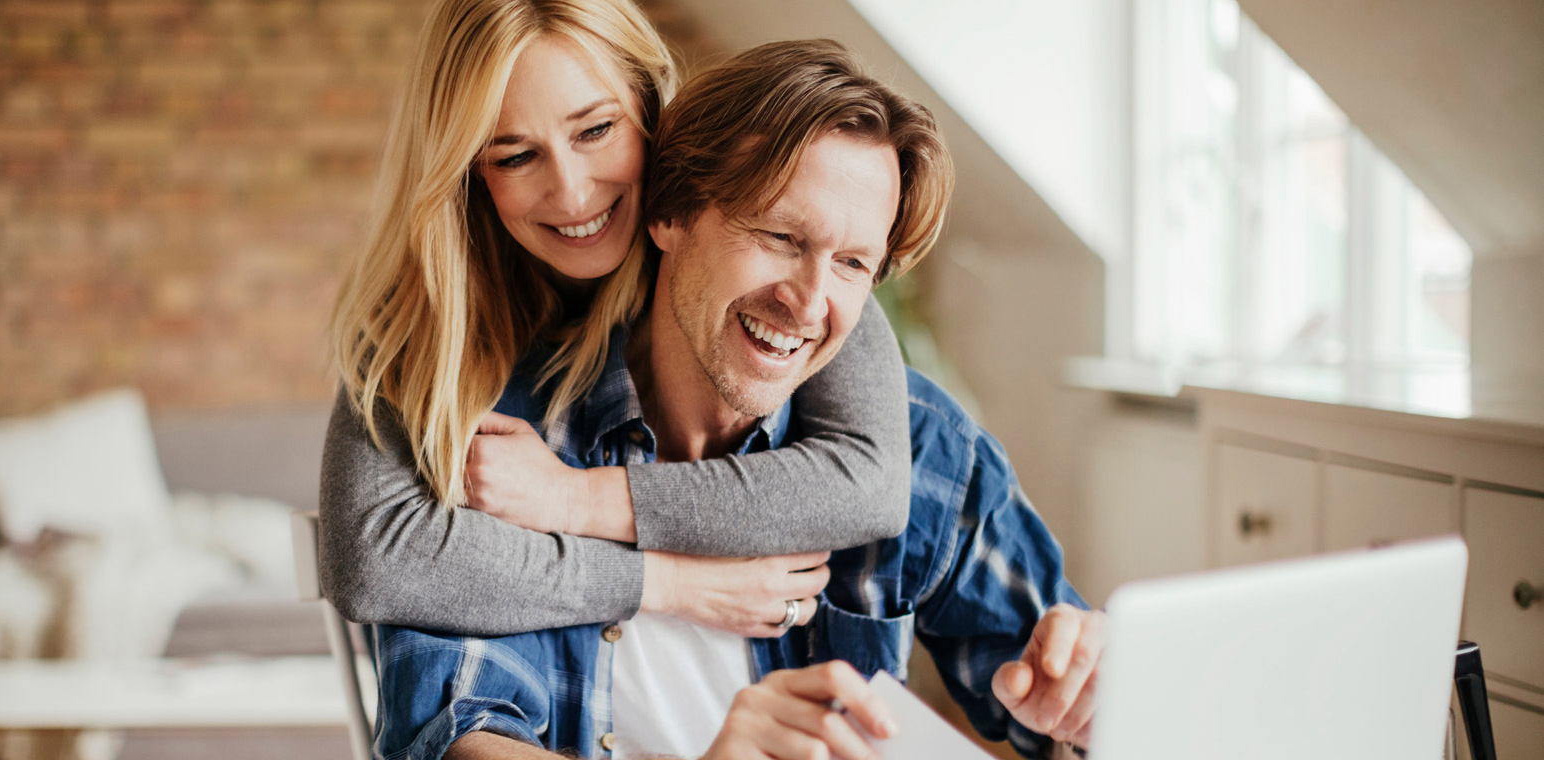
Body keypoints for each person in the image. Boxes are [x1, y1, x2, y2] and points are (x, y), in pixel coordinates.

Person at [371, 39, 1105, 760]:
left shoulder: (923, 451)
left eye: (852, 263)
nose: (810, 303)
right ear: (671, 215)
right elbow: (463, 740)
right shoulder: (512, 452)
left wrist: (1085, 706)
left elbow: (1060, 692)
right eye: (781, 236)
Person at [321, 0, 917, 646]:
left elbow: (870, 485)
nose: (574, 194)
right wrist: (668, 584)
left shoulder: (743, 234)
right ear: (466, 170)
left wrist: (576, 500)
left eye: (596, 130)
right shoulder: (424, 314)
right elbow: (373, 561)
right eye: (516, 156)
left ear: (645, 106)